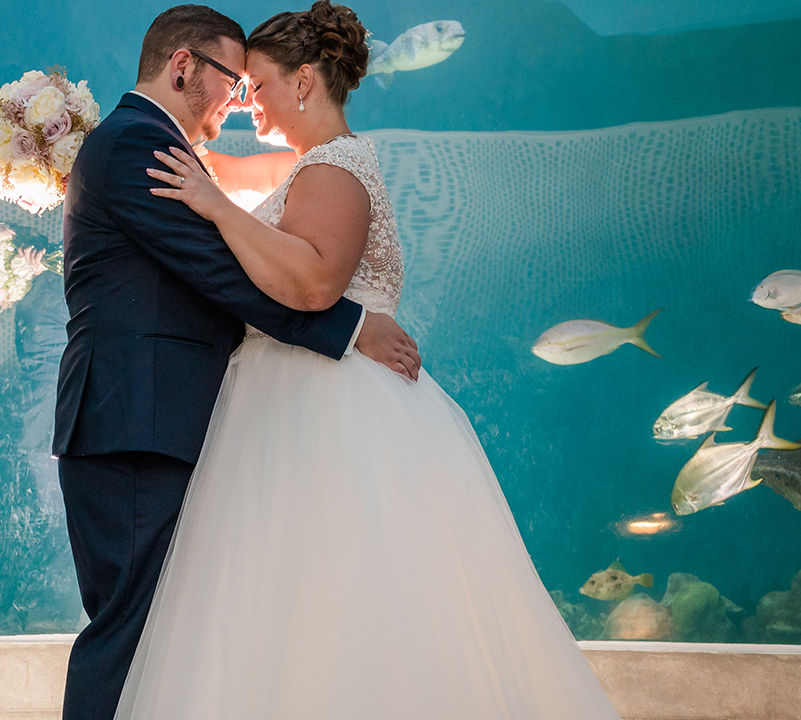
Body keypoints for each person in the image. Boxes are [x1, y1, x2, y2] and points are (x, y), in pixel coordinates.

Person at [113, 3, 624, 718]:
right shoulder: (307, 166)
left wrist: (218, 207)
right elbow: (210, 164)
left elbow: (316, 282)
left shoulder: (334, 168)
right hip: (287, 395)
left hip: (324, 406)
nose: (241, 102)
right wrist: (84, 134)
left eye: (254, 86)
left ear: (303, 82)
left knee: (331, 594)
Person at [52, 5, 422, 720]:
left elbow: (232, 262)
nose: (241, 99)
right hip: (136, 422)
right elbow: (217, 271)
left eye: (254, 83)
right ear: (183, 65)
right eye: (233, 80)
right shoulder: (136, 144)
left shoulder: (155, 144)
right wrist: (350, 328)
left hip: (154, 418)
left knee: (165, 635)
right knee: (131, 635)